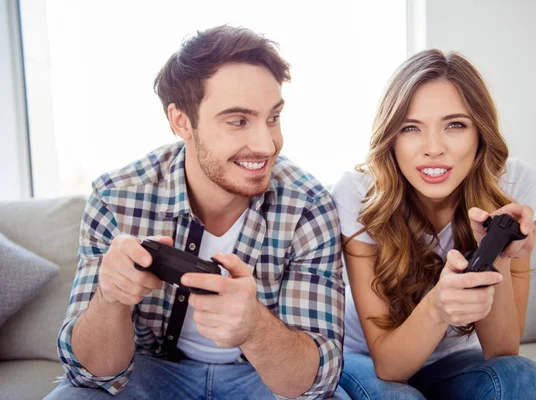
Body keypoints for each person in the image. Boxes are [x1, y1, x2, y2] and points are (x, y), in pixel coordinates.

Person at [46, 25, 348, 400]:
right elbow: (90, 374)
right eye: (238, 121)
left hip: (260, 378)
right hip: (151, 371)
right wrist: (111, 298)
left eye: (273, 117)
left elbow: (312, 384)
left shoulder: (307, 203)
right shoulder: (115, 197)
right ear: (181, 122)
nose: (266, 144)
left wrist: (254, 327)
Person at [331, 49, 536, 400]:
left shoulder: (514, 184)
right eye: (410, 128)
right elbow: (389, 366)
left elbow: (502, 348)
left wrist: (498, 251)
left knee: (523, 378)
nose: (433, 148)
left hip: (446, 364)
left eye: (455, 125)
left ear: (480, 131)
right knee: (399, 397)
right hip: (367, 359)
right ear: (391, 138)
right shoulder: (358, 193)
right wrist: (437, 305)